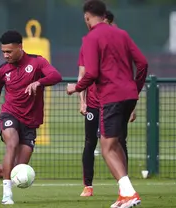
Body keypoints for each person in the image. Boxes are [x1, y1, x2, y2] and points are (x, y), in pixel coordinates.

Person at [66, 0, 148, 207]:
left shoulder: (90, 38)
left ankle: (129, 193)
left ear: (87, 17)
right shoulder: (122, 34)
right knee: (116, 143)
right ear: (105, 15)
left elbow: (91, 73)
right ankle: (124, 193)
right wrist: (135, 88)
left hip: (111, 97)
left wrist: (75, 88)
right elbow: (143, 63)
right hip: (129, 96)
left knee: (106, 147)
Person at [0, 30, 62, 204]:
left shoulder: (37, 62)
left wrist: (38, 82)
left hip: (31, 121)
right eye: (3, 51)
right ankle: (6, 194)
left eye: (9, 51)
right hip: (9, 114)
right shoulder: (2, 71)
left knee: (16, 168)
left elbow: (56, 76)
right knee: (11, 143)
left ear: (20, 47)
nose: (5, 55)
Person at [78, 10, 136, 197]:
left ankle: (124, 187)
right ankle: (88, 185)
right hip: (96, 102)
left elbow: (128, 73)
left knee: (119, 141)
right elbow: (84, 73)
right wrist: (82, 100)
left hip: (113, 101)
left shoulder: (119, 42)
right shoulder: (90, 43)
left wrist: (133, 105)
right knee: (91, 142)